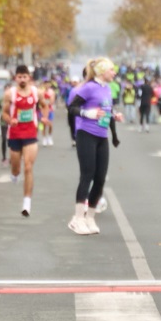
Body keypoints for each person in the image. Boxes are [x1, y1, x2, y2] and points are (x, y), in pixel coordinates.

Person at [66, 57, 118, 235]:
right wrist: (88, 113)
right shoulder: (88, 88)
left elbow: (107, 111)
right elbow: (71, 108)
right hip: (86, 135)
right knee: (86, 176)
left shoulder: (107, 89)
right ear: (102, 71)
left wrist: (114, 119)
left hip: (102, 137)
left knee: (101, 178)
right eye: (111, 69)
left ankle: (90, 217)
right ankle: (78, 219)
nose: (114, 73)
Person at [2, 64, 44, 216]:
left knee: (28, 167)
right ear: (15, 78)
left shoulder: (36, 92)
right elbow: (4, 114)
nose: (22, 79)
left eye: (24, 76)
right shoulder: (10, 94)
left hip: (30, 135)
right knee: (16, 168)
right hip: (14, 134)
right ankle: (14, 174)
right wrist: (10, 120)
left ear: (29, 78)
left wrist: (44, 117)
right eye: (19, 77)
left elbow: (44, 105)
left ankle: (27, 202)